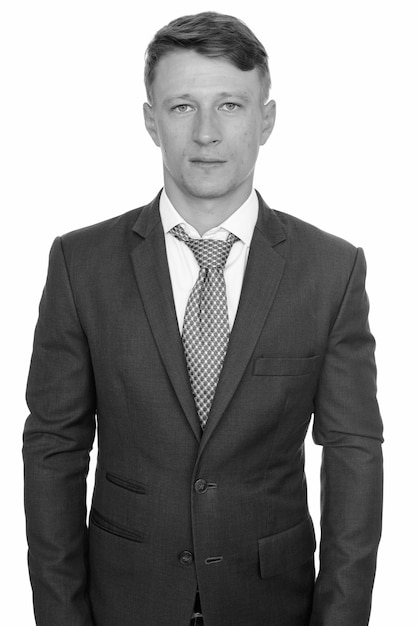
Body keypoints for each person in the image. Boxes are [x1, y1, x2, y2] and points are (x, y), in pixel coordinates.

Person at [23, 11, 383, 626]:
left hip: (271, 601)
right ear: (150, 121)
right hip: (125, 600)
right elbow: (54, 446)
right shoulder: (80, 263)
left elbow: (353, 451)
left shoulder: (332, 270)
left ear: (267, 119)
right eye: (183, 106)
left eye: (232, 106)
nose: (207, 133)